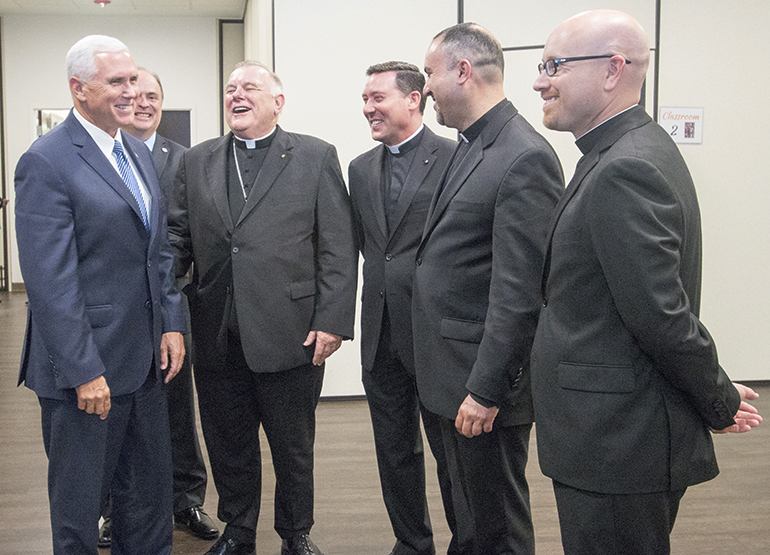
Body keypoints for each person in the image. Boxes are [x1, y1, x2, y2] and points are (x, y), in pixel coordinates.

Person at [530, 10, 763, 555]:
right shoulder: (624, 150)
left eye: (554, 65)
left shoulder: (622, 167)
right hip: (612, 436)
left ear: (613, 70)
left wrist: (718, 398)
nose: (541, 80)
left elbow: (661, 314)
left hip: (617, 443)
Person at [167, 61, 358, 555]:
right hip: (216, 330)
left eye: (250, 87)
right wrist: (164, 310)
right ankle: (238, 529)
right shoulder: (199, 160)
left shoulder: (315, 156)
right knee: (228, 442)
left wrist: (332, 321)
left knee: (293, 446)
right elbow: (177, 241)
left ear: (278, 101)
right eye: (230, 89)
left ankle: (296, 533)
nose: (237, 95)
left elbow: (336, 246)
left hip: (290, 330)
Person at [14, 35, 186, 555]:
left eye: (133, 79)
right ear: (78, 88)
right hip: (84, 372)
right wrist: (84, 370)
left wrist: (172, 322)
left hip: (145, 364)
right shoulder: (45, 161)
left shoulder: (133, 149)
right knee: (80, 510)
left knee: (149, 503)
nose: (131, 91)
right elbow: (50, 282)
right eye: (117, 81)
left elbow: (156, 251)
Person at [414, 23, 564, 554]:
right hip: (450, 378)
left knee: (497, 529)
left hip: (482, 389)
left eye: (431, 73)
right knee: (470, 523)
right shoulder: (474, 144)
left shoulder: (523, 156)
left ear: (463, 71)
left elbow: (520, 293)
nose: (426, 87)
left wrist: (485, 390)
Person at [349, 61, 470, 555]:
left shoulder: (455, 159)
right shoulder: (359, 169)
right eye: (365, 99)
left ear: (414, 99)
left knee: (451, 454)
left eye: (378, 98)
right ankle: (412, 541)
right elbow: (363, 248)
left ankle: (467, 540)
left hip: (434, 336)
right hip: (380, 336)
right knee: (394, 452)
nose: (368, 108)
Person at [95, 68, 218, 548]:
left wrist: (172, 287)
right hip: (119, 312)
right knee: (118, 409)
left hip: (172, 304)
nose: (142, 103)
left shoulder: (185, 160)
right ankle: (112, 510)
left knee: (175, 406)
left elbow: (192, 232)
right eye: (134, 94)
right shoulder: (102, 155)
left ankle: (185, 499)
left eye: (152, 96)